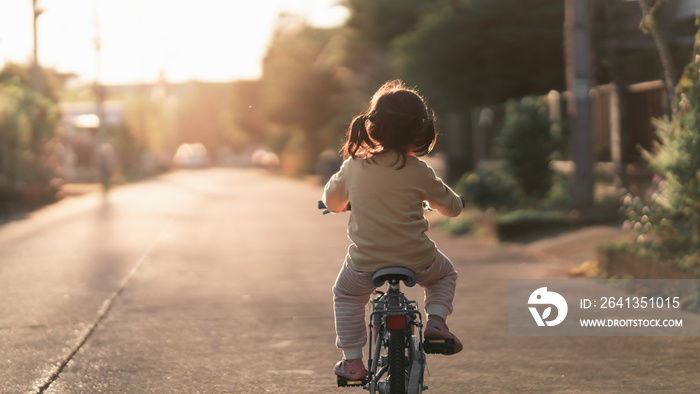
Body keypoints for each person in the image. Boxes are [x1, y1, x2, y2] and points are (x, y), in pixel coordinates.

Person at [322, 79, 464, 381]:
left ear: (374, 126)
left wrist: (337, 204)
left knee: (346, 295)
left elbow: (332, 202)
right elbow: (450, 207)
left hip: (365, 263)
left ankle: (352, 362)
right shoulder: (419, 169)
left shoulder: (353, 166)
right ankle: (436, 323)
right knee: (444, 275)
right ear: (419, 130)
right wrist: (457, 204)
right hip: (418, 259)